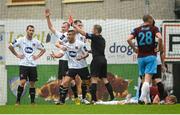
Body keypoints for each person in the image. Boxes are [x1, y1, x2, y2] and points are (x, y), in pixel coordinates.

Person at [72, 24, 115, 103]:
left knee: (93, 79)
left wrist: (74, 25)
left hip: (97, 60)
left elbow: (83, 33)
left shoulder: (95, 37)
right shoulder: (102, 39)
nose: (92, 30)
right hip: (103, 59)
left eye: (92, 29)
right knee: (104, 79)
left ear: (96, 30)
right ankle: (112, 96)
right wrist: (88, 51)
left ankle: (94, 99)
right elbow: (97, 50)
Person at [127, 14, 163, 104]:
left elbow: (128, 39)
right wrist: (159, 47)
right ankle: (141, 98)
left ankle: (148, 100)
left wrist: (134, 49)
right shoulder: (154, 28)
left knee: (143, 79)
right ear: (150, 19)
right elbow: (160, 37)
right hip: (151, 56)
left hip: (140, 58)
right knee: (147, 80)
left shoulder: (137, 29)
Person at [45, 9, 79, 101]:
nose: (62, 28)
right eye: (62, 27)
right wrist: (48, 17)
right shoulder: (61, 35)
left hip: (69, 61)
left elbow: (77, 29)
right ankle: (61, 99)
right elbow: (51, 27)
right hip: (62, 60)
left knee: (71, 81)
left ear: (68, 28)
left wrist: (72, 21)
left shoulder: (72, 35)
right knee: (60, 81)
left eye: (64, 27)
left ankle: (76, 97)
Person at [8, 25, 46, 105]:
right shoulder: (21, 40)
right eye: (30, 30)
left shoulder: (36, 41)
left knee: (32, 83)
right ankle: (18, 101)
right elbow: (10, 46)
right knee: (22, 82)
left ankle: (32, 102)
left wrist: (37, 56)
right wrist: (17, 55)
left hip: (32, 65)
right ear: (26, 30)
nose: (31, 32)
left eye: (32, 31)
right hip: (23, 65)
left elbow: (44, 49)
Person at [51, 30, 90, 104]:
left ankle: (84, 99)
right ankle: (62, 101)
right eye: (67, 35)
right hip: (72, 67)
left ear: (74, 35)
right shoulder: (65, 45)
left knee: (85, 82)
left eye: (70, 35)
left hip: (82, 66)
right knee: (64, 83)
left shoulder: (81, 44)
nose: (68, 36)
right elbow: (61, 54)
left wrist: (82, 57)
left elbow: (87, 53)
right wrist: (55, 56)